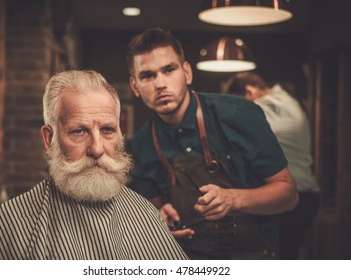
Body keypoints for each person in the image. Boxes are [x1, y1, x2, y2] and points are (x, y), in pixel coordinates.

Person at [0, 69, 188, 260]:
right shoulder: (8, 224)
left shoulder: (145, 213)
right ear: (49, 139)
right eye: (79, 131)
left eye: (107, 130)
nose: (97, 149)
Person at [125, 27, 298, 260]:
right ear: (135, 86)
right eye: (148, 75)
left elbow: (288, 195)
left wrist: (233, 199)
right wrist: (159, 220)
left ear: (187, 73)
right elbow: (156, 207)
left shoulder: (238, 114)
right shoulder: (142, 144)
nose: (160, 84)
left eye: (169, 70)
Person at [225, 71, 320, 259]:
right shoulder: (286, 100)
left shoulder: (266, 107)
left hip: (294, 196)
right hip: (308, 194)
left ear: (249, 91)